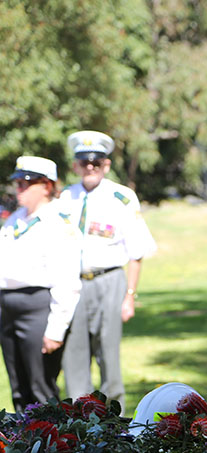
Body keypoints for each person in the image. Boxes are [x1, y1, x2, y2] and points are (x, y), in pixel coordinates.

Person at [58, 131, 156, 410]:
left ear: (107, 165)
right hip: (73, 283)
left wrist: (129, 296)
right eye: (84, 163)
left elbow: (136, 252)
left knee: (109, 357)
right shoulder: (64, 198)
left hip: (110, 280)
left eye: (97, 163)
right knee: (74, 357)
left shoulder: (122, 197)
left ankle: (115, 423)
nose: (90, 168)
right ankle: (78, 424)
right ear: (75, 166)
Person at [1, 157, 81, 411]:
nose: (19, 188)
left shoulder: (59, 222)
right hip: (8, 307)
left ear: (46, 185)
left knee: (41, 388)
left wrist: (56, 329)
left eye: (26, 183)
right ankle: (21, 447)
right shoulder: (16, 218)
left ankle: (51, 447)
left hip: (38, 307)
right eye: (17, 182)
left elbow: (67, 280)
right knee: (18, 387)